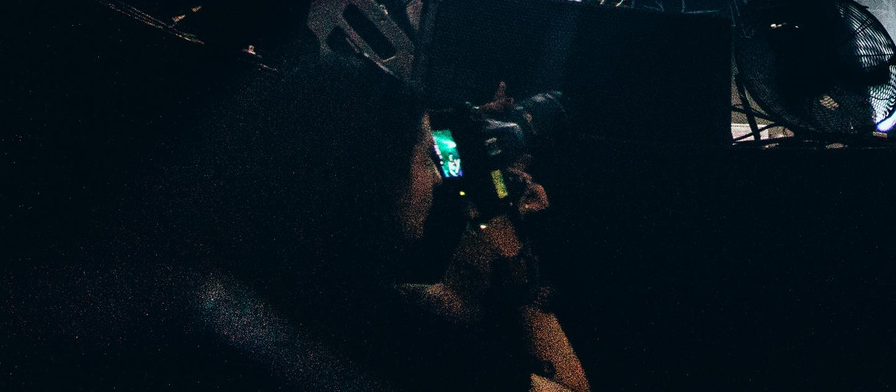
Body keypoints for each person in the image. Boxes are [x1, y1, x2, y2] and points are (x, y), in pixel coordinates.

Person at [177, 54, 589, 392]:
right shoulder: (414, 350)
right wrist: (525, 281)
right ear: (379, 177)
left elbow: (446, 300)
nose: (438, 175)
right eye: (426, 156)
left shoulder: (241, 278)